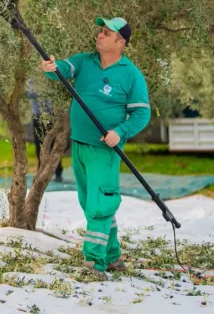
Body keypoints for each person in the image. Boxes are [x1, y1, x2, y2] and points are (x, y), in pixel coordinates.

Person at [41, 17, 151, 279]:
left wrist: (120, 132)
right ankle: (113, 257)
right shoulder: (85, 61)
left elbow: (141, 115)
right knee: (89, 201)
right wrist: (49, 67)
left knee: (100, 204)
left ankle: (94, 264)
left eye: (106, 33)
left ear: (121, 42)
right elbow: (61, 69)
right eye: (100, 31)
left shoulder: (130, 74)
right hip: (79, 146)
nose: (99, 36)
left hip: (105, 150)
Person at [26, 81, 63, 183]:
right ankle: (40, 171)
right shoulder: (32, 79)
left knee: (53, 144)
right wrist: (42, 92)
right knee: (39, 145)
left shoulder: (49, 77)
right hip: (37, 116)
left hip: (50, 116)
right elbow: (29, 93)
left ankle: (58, 171)